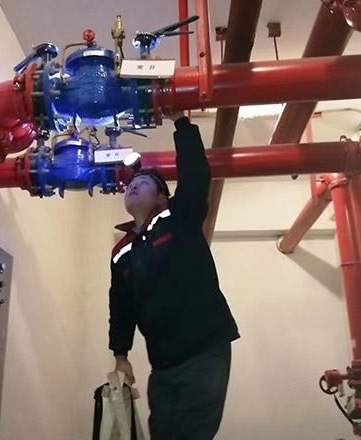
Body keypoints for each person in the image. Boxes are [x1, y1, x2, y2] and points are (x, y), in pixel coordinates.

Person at [108, 112, 240, 439]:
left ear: (162, 198)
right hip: (163, 364)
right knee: (162, 433)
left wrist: (181, 122)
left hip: (204, 351)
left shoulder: (178, 218)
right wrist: (120, 355)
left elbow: (195, 175)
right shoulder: (122, 250)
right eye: (131, 184)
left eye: (144, 184)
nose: (134, 185)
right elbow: (121, 307)